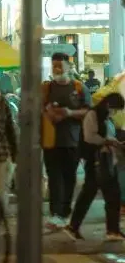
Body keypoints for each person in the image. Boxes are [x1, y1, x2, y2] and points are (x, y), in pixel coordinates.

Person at [67, 93, 125, 243]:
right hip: (96, 161)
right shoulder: (92, 115)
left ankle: (110, 230)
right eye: (115, 109)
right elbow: (89, 137)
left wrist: (115, 143)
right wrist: (108, 141)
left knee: (102, 194)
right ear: (108, 105)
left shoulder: (106, 118)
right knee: (103, 194)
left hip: (106, 160)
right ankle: (109, 230)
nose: (115, 112)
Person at [42, 52, 89, 226]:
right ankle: (56, 213)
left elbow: (88, 111)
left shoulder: (78, 88)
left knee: (69, 178)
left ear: (69, 67)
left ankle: (65, 212)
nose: (56, 69)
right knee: (54, 178)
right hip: (50, 141)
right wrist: (48, 113)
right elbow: (38, 109)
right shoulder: (46, 88)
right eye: (54, 65)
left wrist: (70, 113)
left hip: (72, 141)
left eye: (60, 65)